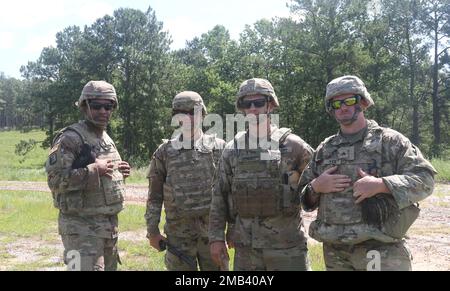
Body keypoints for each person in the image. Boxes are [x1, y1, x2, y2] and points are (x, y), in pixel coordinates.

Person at [298, 75, 437, 271]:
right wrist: (316, 186)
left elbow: (426, 180)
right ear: (331, 108)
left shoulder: (390, 141)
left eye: (349, 100)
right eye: (337, 103)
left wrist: (382, 185)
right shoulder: (325, 149)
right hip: (335, 251)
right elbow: (304, 197)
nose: (343, 107)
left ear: (362, 102)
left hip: (380, 250)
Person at [209, 78, 314, 271]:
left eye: (258, 103)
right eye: (246, 104)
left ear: (270, 105)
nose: (252, 109)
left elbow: (317, 188)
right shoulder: (232, 150)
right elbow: (219, 196)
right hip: (247, 251)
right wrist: (216, 237)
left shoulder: (294, 146)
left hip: (287, 249)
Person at [45, 80, 131, 271]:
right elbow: (55, 180)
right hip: (80, 229)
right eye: (97, 106)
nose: (103, 111)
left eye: (108, 106)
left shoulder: (105, 137)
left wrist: (120, 171)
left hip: (107, 228)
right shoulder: (70, 138)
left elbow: (103, 178)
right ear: (85, 106)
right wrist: (93, 170)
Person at [145, 91, 225, 271]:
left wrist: (234, 229)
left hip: (211, 236)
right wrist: (152, 231)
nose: (188, 117)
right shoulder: (165, 152)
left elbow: (229, 193)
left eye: (193, 111)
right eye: (182, 112)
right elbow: (154, 196)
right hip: (178, 237)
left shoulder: (219, 148)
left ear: (202, 113)